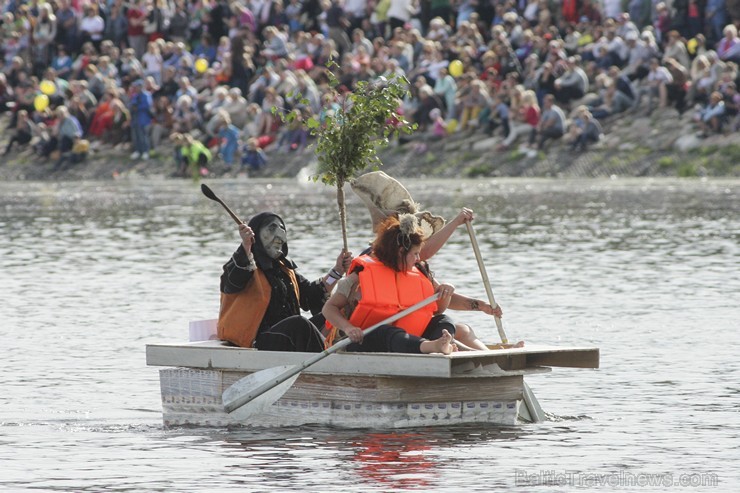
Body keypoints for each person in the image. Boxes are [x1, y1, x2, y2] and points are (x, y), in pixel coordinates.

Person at [323, 214, 457, 355]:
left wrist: (446, 291)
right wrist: (349, 328)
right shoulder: (358, 277)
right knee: (385, 331)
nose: (418, 259)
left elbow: (437, 311)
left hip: (405, 338)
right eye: (416, 253)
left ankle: (442, 345)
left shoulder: (418, 273)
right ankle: (432, 347)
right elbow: (329, 308)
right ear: (400, 252)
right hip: (357, 340)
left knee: (444, 321)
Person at [218, 212, 352, 351]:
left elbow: (311, 295)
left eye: (282, 229)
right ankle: (328, 362)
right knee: (299, 324)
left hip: (288, 336)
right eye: (272, 228)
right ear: (255, 235)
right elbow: (231, 283)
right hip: (257, 341)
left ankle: (348, 352)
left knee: (335, 313)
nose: (280, 234)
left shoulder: (284, 270)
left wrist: (337, 271)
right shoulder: (244, 266)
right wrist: (246, 245)